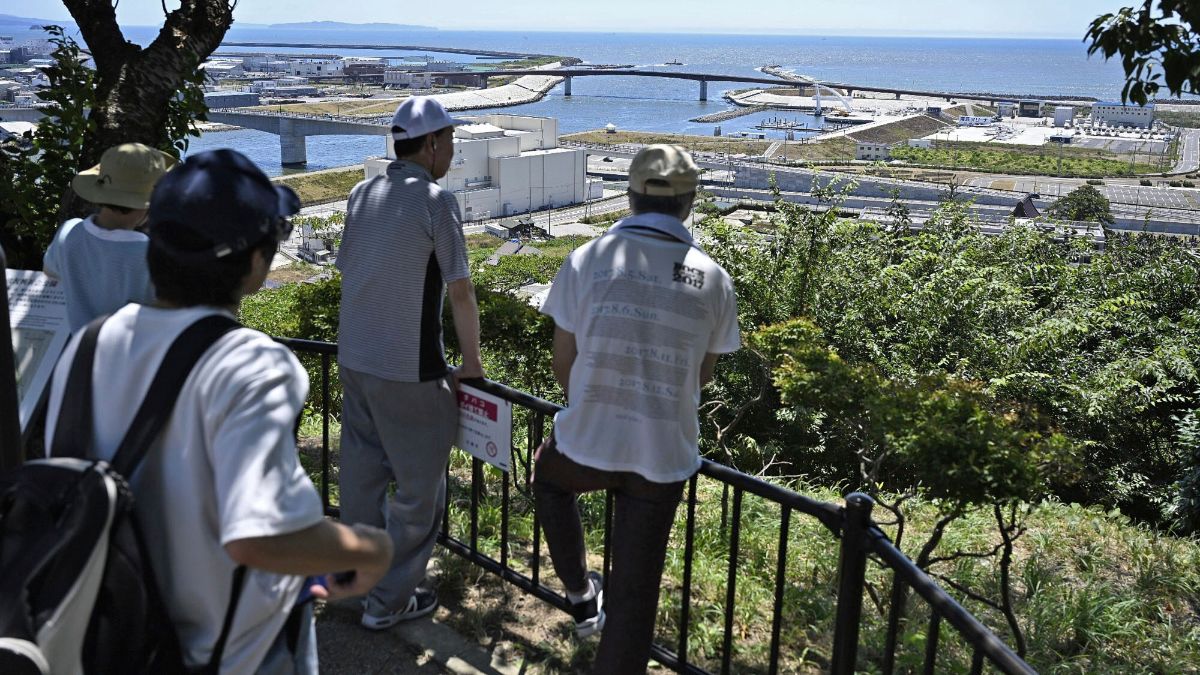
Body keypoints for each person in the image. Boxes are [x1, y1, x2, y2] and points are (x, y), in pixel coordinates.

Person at [43, 149, 394, 674]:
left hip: (109, 640)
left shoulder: (85, 349)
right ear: (254, 263)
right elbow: (259, 535)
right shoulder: (249, 363)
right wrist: (370, 550)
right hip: (229, 656)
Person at [534, 144, 741, 673]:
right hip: (663, 452)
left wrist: (594, 402)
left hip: (588, 440)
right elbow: (701, 376)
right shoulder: (712, 278)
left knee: (550, 479)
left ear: (629, 195)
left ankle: (580, 591)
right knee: (635, 595)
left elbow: (564, 360)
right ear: (690, 202)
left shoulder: (587, 259)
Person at [335, 96, 485, 629]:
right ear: (430, 144)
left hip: (354, 355)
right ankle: (389, 599)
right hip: (408, 366)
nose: (451, 149)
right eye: (448, 141)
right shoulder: (435, 200)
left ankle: (355, 583)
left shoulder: (361, 191)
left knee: (362, 481)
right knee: (420, 492)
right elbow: (460, 291)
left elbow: (348, 268)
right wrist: (472, 364)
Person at [43, 142, 174, 332]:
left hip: (80, 351)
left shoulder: (68, 233)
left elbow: (50, 270)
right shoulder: (152, 253)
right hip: (131, 353)